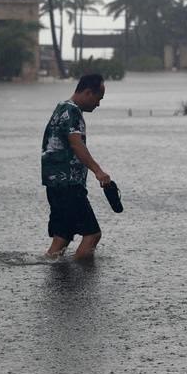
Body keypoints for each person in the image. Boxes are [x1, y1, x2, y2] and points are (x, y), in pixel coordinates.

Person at [41, 73, 111, 260]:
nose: (98, 104)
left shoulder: (61, 108)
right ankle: (82, 283)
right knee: (92, 234)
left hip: (54, 184)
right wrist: (98, 171)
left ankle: (57, 278)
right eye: (98, 99)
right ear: (88, 93)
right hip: (68, 185)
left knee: (62, 237)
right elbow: (76, 144)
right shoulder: (73, 112)